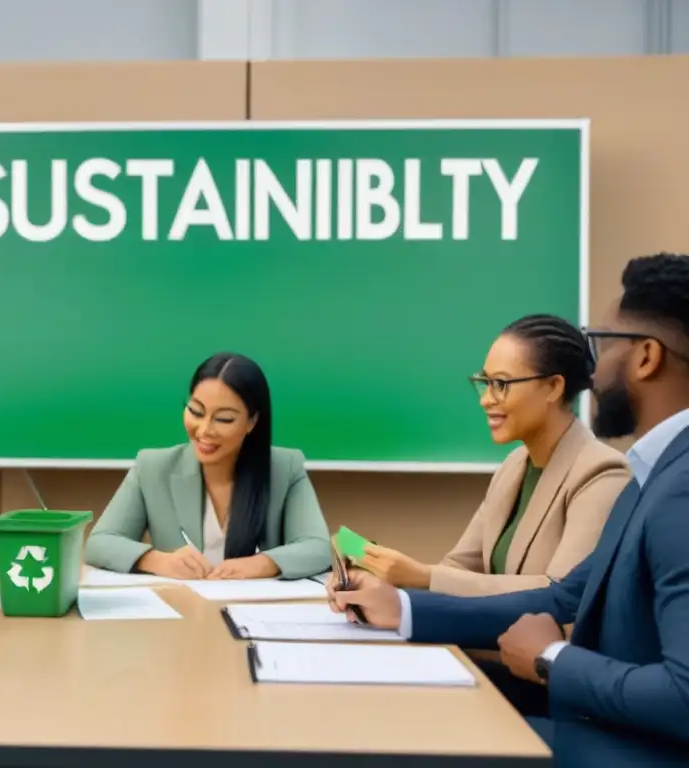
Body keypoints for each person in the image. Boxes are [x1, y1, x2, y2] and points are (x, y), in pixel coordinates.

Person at [331, 254, 689, 765]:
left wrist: (552, 659)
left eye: (604, 345)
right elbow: (569, 597)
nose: (595, 367)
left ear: (647, 357)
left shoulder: (671, 484)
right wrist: (401, 607)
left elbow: (683, 696)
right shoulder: (652, 473)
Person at [357, 315, 630, 597]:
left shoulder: (601, 474)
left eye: (501, 384)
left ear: (553, 387)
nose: (485, 399)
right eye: (484, 382)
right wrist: (389, 588)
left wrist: (422, 577)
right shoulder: (513, 466)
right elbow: (460, 567)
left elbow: (564, 595)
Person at [84, 352, 330, 580]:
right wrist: (156, 560)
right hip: (181, 615)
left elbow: (319, 548)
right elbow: (100, 543)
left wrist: (263, 563)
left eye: (224, 419)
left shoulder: (285, 468)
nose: (204, 431)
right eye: (196, 411)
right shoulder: (152, 467)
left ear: (252, 421)